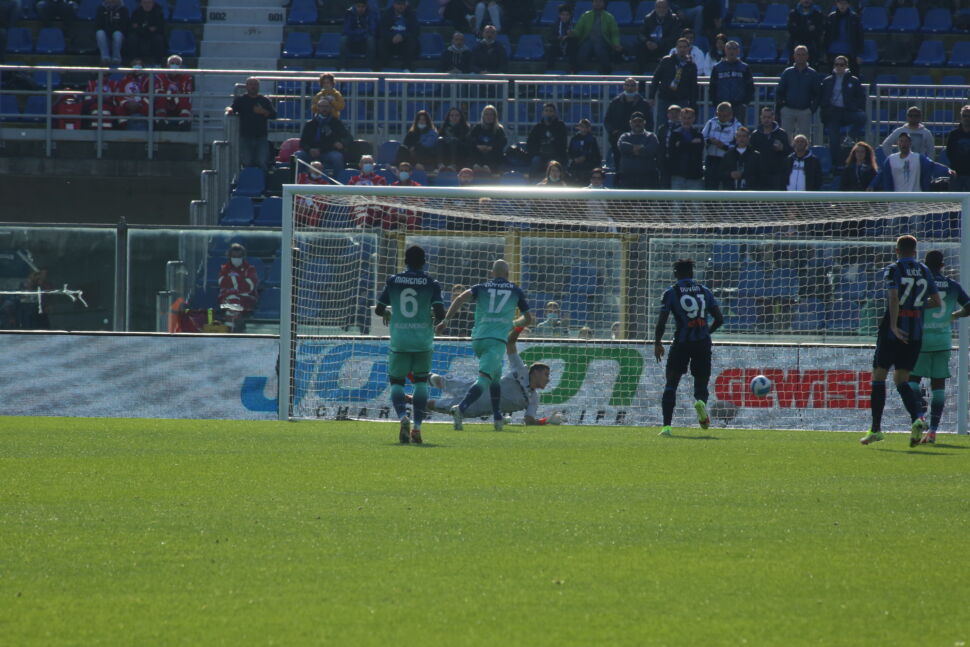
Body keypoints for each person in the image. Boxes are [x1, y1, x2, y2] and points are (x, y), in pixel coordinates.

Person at [860, 235, 941, 447]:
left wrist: (895, 325)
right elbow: (936, 301)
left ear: (897, 251)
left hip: (892, 332)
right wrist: (915, 308)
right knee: (902, 379)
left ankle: (876, 429)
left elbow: (893, 297)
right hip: (915, 334)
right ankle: (917, 417)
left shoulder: (894, 269)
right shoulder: (925, 270)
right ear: (915, 251)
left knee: (879, 376)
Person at [435, 259, 533, 431]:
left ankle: (497, 417)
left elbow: (460, 298)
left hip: (478, 339)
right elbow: (528, 318)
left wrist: (446, 320)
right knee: (485, 379)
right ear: (508, 274)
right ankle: (461, 408)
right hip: (495, 341)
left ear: (491, 274)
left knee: (495, 378)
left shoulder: (481, 287)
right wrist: (512, 323)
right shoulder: (515, 290)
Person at [374, 245, 445, 444]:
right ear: (424, 262)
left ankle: (402, 418)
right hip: (422, 341)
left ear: (405, 261)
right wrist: (432, 316)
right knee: (421, 382)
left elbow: (379, 310)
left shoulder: (394, 280)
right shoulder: (431, 283)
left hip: (400, 341)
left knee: (396, 383)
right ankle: (417, 427)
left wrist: (388, 312)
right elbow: (440, 315)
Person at [425, 327, 561, 425]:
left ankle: (408, 399)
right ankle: (416, 374)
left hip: (477, 408)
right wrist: (521, 325)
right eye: (546, 374)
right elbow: (510, 343)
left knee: (434, 405)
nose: (548, 379)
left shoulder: (534, 399)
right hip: (475, 386)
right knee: (440, 381)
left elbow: (529, 421)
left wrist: (546, 421)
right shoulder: (521, 370)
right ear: (535, 372)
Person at [654, 257, 724, 437]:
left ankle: (667, 427)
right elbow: (719, 319)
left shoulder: (671, 292)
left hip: (682, 343)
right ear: (692, 273)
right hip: (702, 343)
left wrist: (658, 343)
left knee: (671, 383)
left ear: (675, 274)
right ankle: (700, 402)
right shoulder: (704, 291)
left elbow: (662, 322)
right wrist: (706, 332)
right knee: (701, 382)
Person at [906, 250, 970, 444]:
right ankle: (933, 432)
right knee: (938, 385)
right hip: (942, 341)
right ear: (942, 265)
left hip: (921, 340)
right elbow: (969, 307)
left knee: (912, 380)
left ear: (925, 265)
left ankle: (920, 416)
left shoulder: (920, 284)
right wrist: (954, 316)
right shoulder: (952, 285)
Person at [819, 56, 866, 172]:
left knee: (862, 117)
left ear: (846, 66)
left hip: (847, 111)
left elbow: (861, 98)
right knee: (834, 139)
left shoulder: (854, 80)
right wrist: (826, 109)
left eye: (842, 64)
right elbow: (823, 98)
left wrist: (854, 107)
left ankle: (850, 136)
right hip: (833, 112)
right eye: (837, 64)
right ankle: (836, 164)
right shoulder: (827, 81)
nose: (839, 67)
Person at [868, 132, 953, 192]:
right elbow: (882, 174)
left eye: (906, 141)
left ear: (910, 143)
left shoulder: (918, 158)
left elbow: (932, 166)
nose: (903, 143)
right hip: (895, 200)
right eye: (901, 141)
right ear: (898, 143)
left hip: (914, 200)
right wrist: (872, 185)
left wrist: (947, 171)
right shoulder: (890, 160)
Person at [226, 77, 276, 170]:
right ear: (246, 86)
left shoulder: (264, 100)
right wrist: (229, 110)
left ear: (259, 87)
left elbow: (274, 115)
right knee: (247, 162)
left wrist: (263, 111)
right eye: (251, 84)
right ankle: (248, 182)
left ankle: (263, 183)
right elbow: (232, 108)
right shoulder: (241, 100)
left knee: (262, 162)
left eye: (256, 84)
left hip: (261, 137)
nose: (253, 87)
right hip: (245, 137)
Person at [296, 96, 351, 175]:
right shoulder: (310, 124)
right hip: (311, 153)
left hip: (328, 152)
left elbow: (348, 137)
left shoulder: (336, 123)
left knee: (337, 157)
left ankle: (338, 183)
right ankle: (297, 181)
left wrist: (342, 143)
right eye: (321, 106)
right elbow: (303, 142)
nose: (324, 109)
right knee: (298, 155)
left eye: (326, 107)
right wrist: (309, 150)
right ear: (317, 108)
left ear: (331, 108)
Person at [776, 45, 819, 144]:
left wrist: (811, 109)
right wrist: (782, 107)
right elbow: (779, 91)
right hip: (788, 110)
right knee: (785, 138)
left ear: (807, 56)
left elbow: (817, 94)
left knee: (805, 139)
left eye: (803, 55)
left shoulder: (813, 74)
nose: (800, 57)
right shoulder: (787, 72)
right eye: (798, 54)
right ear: (794, 56)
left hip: (805, 111)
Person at [649, 37, 698, 123]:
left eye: (684, 47)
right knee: (661, 124)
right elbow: (656, 78)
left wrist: (693, 103)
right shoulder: (666, 60)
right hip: (664, 98)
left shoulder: (691, 65)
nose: (682, 49)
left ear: (689, 48)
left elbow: (693, 85)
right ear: (676, 48)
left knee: (682, 124)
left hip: (682, 99)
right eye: (680, 47)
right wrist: (651, 96)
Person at [605, 77, 652, 163]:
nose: (630, 88)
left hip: (639, 139)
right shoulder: (615, 102)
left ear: (636, 87)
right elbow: (607, 121)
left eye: (632, 85)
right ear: (624, 87)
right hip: (618, 139)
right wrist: (613, 132)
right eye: (627, 85)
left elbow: (649, 122)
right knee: (619, 163)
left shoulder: (643, 104)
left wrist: (644, 136)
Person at [218, 243, 260, 334]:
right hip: (227, 299)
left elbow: (249, 286)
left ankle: (229, 332)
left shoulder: (250, 269)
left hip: (246, 299)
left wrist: (232, 280)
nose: (236, 258)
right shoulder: (224, 268)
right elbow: (222, 283)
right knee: (233, 300)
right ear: (229, 257)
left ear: (243, 257)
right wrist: (240, 279)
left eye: (239, 256)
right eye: (234, 256)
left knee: (232, 303)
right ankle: (238, 328)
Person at [573, 0, 622, 75]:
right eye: (595, 1)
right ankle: (576, 71)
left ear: (603, 3)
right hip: (588, 41)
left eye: (600, 2)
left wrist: (616, 44)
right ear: (592, 3)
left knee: (598, 46)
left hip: (603, 42)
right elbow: (578, 29)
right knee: (585, 48)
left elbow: (614, 33)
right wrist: (572, 33)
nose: (597, 3)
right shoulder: (585, 15)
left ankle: (607, 70)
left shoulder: (609, 17)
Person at [709, 40, 753, 122]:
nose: (731, 51)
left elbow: (750, 87)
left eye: (734, 48)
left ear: (738, 51)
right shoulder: (717, 68)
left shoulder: (744, 68)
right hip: (722, 105)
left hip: (738, 105)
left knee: (738, 131)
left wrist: (745, 103)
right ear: (725, 50)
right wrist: (716, 103)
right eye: (729, 48)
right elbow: (712, 87)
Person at [701, 101, 741, 190]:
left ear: (731, 114)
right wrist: (710, 141)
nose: (722, 118)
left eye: (725, 116)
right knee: (710, 187)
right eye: (719, 115)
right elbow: (702, 137)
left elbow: (739, 145)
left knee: (728, 187)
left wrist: (723, 146)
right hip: (711, 159)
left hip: (727, 160)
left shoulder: (737, 126)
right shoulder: (711, 122)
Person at [616, 112, 661, 189]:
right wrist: (641, 148)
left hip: (648, 180)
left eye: (640, 121)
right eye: (634, 121)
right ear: (630, 123)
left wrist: (632, 150)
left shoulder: (651, 136)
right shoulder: (624, 136)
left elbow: (652, 150)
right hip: (627, 179)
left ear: (644, 123)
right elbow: (622, 146)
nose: (637, 124)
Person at [750, 106, 791, 190]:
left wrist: (782, 148)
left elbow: (789, 152)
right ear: (760, 118)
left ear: (773, 118)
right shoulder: (755, 134)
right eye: (764, 117)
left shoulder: (782, 134)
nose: (766, 120)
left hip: (777, 174)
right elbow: (751, 153)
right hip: (759, 174)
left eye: (769, 117)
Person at [636, 0, 681, 74]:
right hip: (650, 46)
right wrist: (647, 42)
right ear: (655, 8)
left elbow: (674, 36)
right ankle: (640, 80)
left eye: (664, 7)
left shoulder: (674, 19)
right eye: (659, 7)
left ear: (668, 8)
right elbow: (641, 34)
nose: (661, 9)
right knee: (640, 49)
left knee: (672, 49)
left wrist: (659, 44)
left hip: (665, 46)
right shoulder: (648, 18)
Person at [526, 103, 568, 179]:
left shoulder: (560, 126)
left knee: (554, 164)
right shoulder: (537, 127)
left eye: (551, 111)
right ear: (543, 113)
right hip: (540, 155)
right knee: (535, 160)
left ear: (555, 113)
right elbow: (530, 143)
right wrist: (537, 152)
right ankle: (531, 184)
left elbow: (563, 144)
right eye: (546, 111)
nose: (548, 113)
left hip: (555, 156)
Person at [667, 106, 705, 190]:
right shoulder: (674, 134)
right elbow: (673, 152)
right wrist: (691, 144)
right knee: (677, 203)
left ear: (694, 119)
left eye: (689, 118)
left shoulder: (699, 134)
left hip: (695, 176)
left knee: (696, 203)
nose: (686, 121)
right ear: (680, 118)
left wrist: (681, 145)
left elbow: (698, 151)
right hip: (678, 175)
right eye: (684, 118)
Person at [377, 0, 420, 72]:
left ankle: (407, 67)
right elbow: (381, 30)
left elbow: (415, 31)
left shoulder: (411, 14)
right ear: (394, 4)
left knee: (412, 41)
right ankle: (382, 66)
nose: (401, 6)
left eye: (402, 4)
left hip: (405, 42)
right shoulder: (387, 14)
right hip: (391, 42)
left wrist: (402, 36)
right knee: (381, 41)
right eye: (398, 4)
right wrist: (392, 37)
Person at [153, 54, 193, 131]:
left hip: (179, 102)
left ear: (181, 66)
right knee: (160, 97)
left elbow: (186, 92)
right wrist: (171, 94)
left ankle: (184, 121)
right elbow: (159, 91)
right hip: (166, 101)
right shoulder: (160, 76)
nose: (174, 65)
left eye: (177, 63)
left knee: (185, 98)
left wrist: (174, 94)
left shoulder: (186, 77)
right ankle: (161, 121)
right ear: (167, 65)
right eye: (172, 63)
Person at [823, 0, 863, 72]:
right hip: (833, 53)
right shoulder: (831, 17)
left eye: (845, 3)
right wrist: (825, 53)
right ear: (836, 4)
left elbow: (859, 37)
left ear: (848, 5)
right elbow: (826, 36)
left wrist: (859, 54)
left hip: (850, 54)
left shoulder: (854, 18)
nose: (842, 5)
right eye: (840, 3)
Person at [466, 104, 507, 174]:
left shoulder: (499, 129)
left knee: (495, 153)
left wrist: (492, 147)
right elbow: (469, 139)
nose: (489, 117)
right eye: (487, 114)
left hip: (492, 154)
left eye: (491, 115)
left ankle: (488, 169)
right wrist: (477, 146)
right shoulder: (477, 127)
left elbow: (503, 142)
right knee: (472, 151)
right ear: (483, 116)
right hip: (478, 152)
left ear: (495, 116)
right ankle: (477, 167)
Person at [720, 126, 764, 190]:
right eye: (739, 136)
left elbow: (760, 175)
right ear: (736, 138)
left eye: (744, 136)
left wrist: (743, 174)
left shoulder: (755, 155)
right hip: (731, 192)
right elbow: (721, 173)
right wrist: (730, 174)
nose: (741, 139)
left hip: (750, 191)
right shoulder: (728, 154)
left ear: (748, 138)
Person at [340, 0, 377, 71]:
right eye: (358, 6)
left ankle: (370, 67)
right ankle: (343, 67)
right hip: (352, 41)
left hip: (364, 41)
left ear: (366, 7)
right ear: (355, 6)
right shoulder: (349, 13)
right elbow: (346, 30)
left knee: (371, 40)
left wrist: (360, 33)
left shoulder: (371, 13)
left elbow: (372, 29)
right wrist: (360, 32)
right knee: (343, 39)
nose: (360, 9)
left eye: (363, 7)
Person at [127, 0, 165, 65]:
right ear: (141, 3)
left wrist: (142, 27)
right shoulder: (136, 12)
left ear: (153, 3)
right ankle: (133, 61)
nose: (147, 5)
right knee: (132, 38)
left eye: (149, 2)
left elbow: (160, 27)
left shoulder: (158, 12)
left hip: (154, 35)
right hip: (139, 34)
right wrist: (147, 28)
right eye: (145, 3)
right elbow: (133, 26)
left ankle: (158, 62)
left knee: (159, 39)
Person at [786, 0, 824, 65]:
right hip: (795, 46)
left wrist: (800, 29)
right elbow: (791, 31)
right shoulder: (793, 14)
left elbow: (818, 32)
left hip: (813, 48)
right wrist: (808, 30)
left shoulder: (817, 14)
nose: (806, 1)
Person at [566, 118, 601, 186]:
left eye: (586, 126)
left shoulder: (592, 140)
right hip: (576, 167)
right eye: (582, 126)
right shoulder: (574, 139)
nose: (584, 128)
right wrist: (575, 159)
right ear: (579, 127)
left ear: (589, 128)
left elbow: (596, 155)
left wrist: (586, 158)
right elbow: (569, 153)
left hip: (588, 167)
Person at [545, 3, 577, 73]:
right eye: (563, 15)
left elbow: (578, 39)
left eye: (567, 15)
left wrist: (571, 36)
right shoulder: (555, 25)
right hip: (558, 47)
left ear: (570, 15)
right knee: (551, 49)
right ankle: (549, 71)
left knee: (574, 47)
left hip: (569, 48)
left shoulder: (574, 25)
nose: (565, 17)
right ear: (559, 15)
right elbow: (550, 38)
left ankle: (573, 71)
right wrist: (558, 38)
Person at [655, 104, 682, 188]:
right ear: (667, 114)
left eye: (676, 113)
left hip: (678, 162)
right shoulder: (662, 128)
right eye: (671, 113)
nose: (674, 115)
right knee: (664, 185)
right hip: (664, 161)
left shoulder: (683, 128)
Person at [95, 0, 128, 65]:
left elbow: (125, 26)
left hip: (119, 35)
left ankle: (116, 58)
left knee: (117, 34)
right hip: (105, 34)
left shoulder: (123, 10)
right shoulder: (101, 9)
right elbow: (98, 25)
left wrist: (113, 29)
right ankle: (105, 58)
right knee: (99, 33)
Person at [946, 105, 970, 192]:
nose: (967, 118)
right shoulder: (954, 134)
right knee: (954, 202)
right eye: (964, 116)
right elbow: (949, 152)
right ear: (961, 117)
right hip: (956, 173)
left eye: (969, 116)